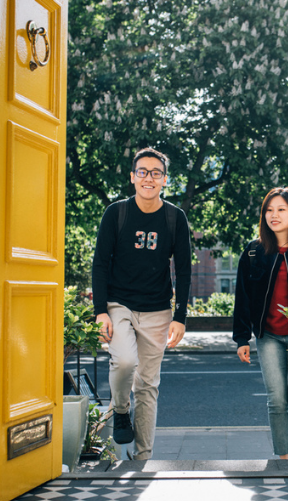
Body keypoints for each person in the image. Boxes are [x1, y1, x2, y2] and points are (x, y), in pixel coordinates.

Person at [91, 147, 192, 459]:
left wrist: (180, 317)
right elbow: (100, 264)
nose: (149, 178)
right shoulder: (116, 213)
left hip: (158, 310)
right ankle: (121, 409)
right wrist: (100, 312)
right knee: (123, 361)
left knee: (147, 384)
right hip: (119, 303)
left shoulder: (175, 218)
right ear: (133, 177)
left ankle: (143, 458)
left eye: (156, 173)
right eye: (143, 172)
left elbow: (185, 269)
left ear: (164, 180)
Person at [233, 187, 288, 459]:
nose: (274, 215)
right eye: (269, 210)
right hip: (268, 335)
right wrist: (241, 339)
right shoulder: (253, 252)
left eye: (281, 209)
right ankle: (282, 458)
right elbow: (242, 297)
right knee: (277, 399)